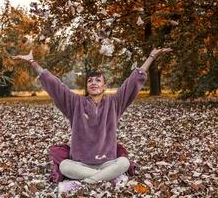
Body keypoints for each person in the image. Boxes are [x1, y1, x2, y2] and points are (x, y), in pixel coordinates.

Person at [12, 47, 172, 193]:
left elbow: (132, 83)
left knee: (124, 162)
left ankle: (81, 183)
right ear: (87, 86)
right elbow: (55, 86)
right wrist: (33, 62)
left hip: (106, 162)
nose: (93, 83)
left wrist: (151, 56)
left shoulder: (114, 103)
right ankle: (109, 178)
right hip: (80, 164)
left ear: (104, 86)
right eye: (90, 81)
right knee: (64, 166)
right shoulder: (75, 103)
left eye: (98, 81)